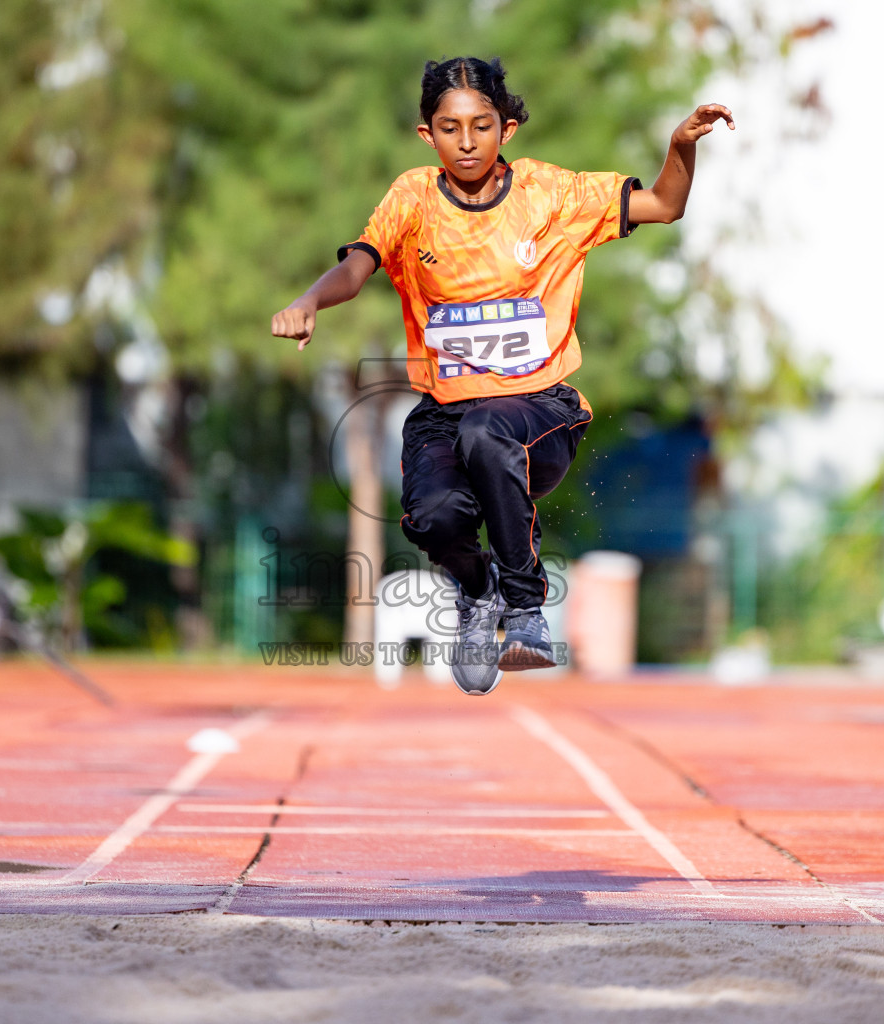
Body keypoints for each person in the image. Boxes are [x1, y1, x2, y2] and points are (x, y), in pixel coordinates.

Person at [272, 56, 732, 694]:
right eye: (450, 128)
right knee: (431, 517)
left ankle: (524, 609)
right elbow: (358, 265)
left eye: (481, 126)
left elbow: (662, 204)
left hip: (539, 410)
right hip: (444, 411)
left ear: (506, 129)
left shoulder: (551, 196)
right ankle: (478, 590)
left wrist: (680, 148)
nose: (466, 143)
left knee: (490, 430)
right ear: (426, 136)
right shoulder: (412, 199)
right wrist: (308, 302)